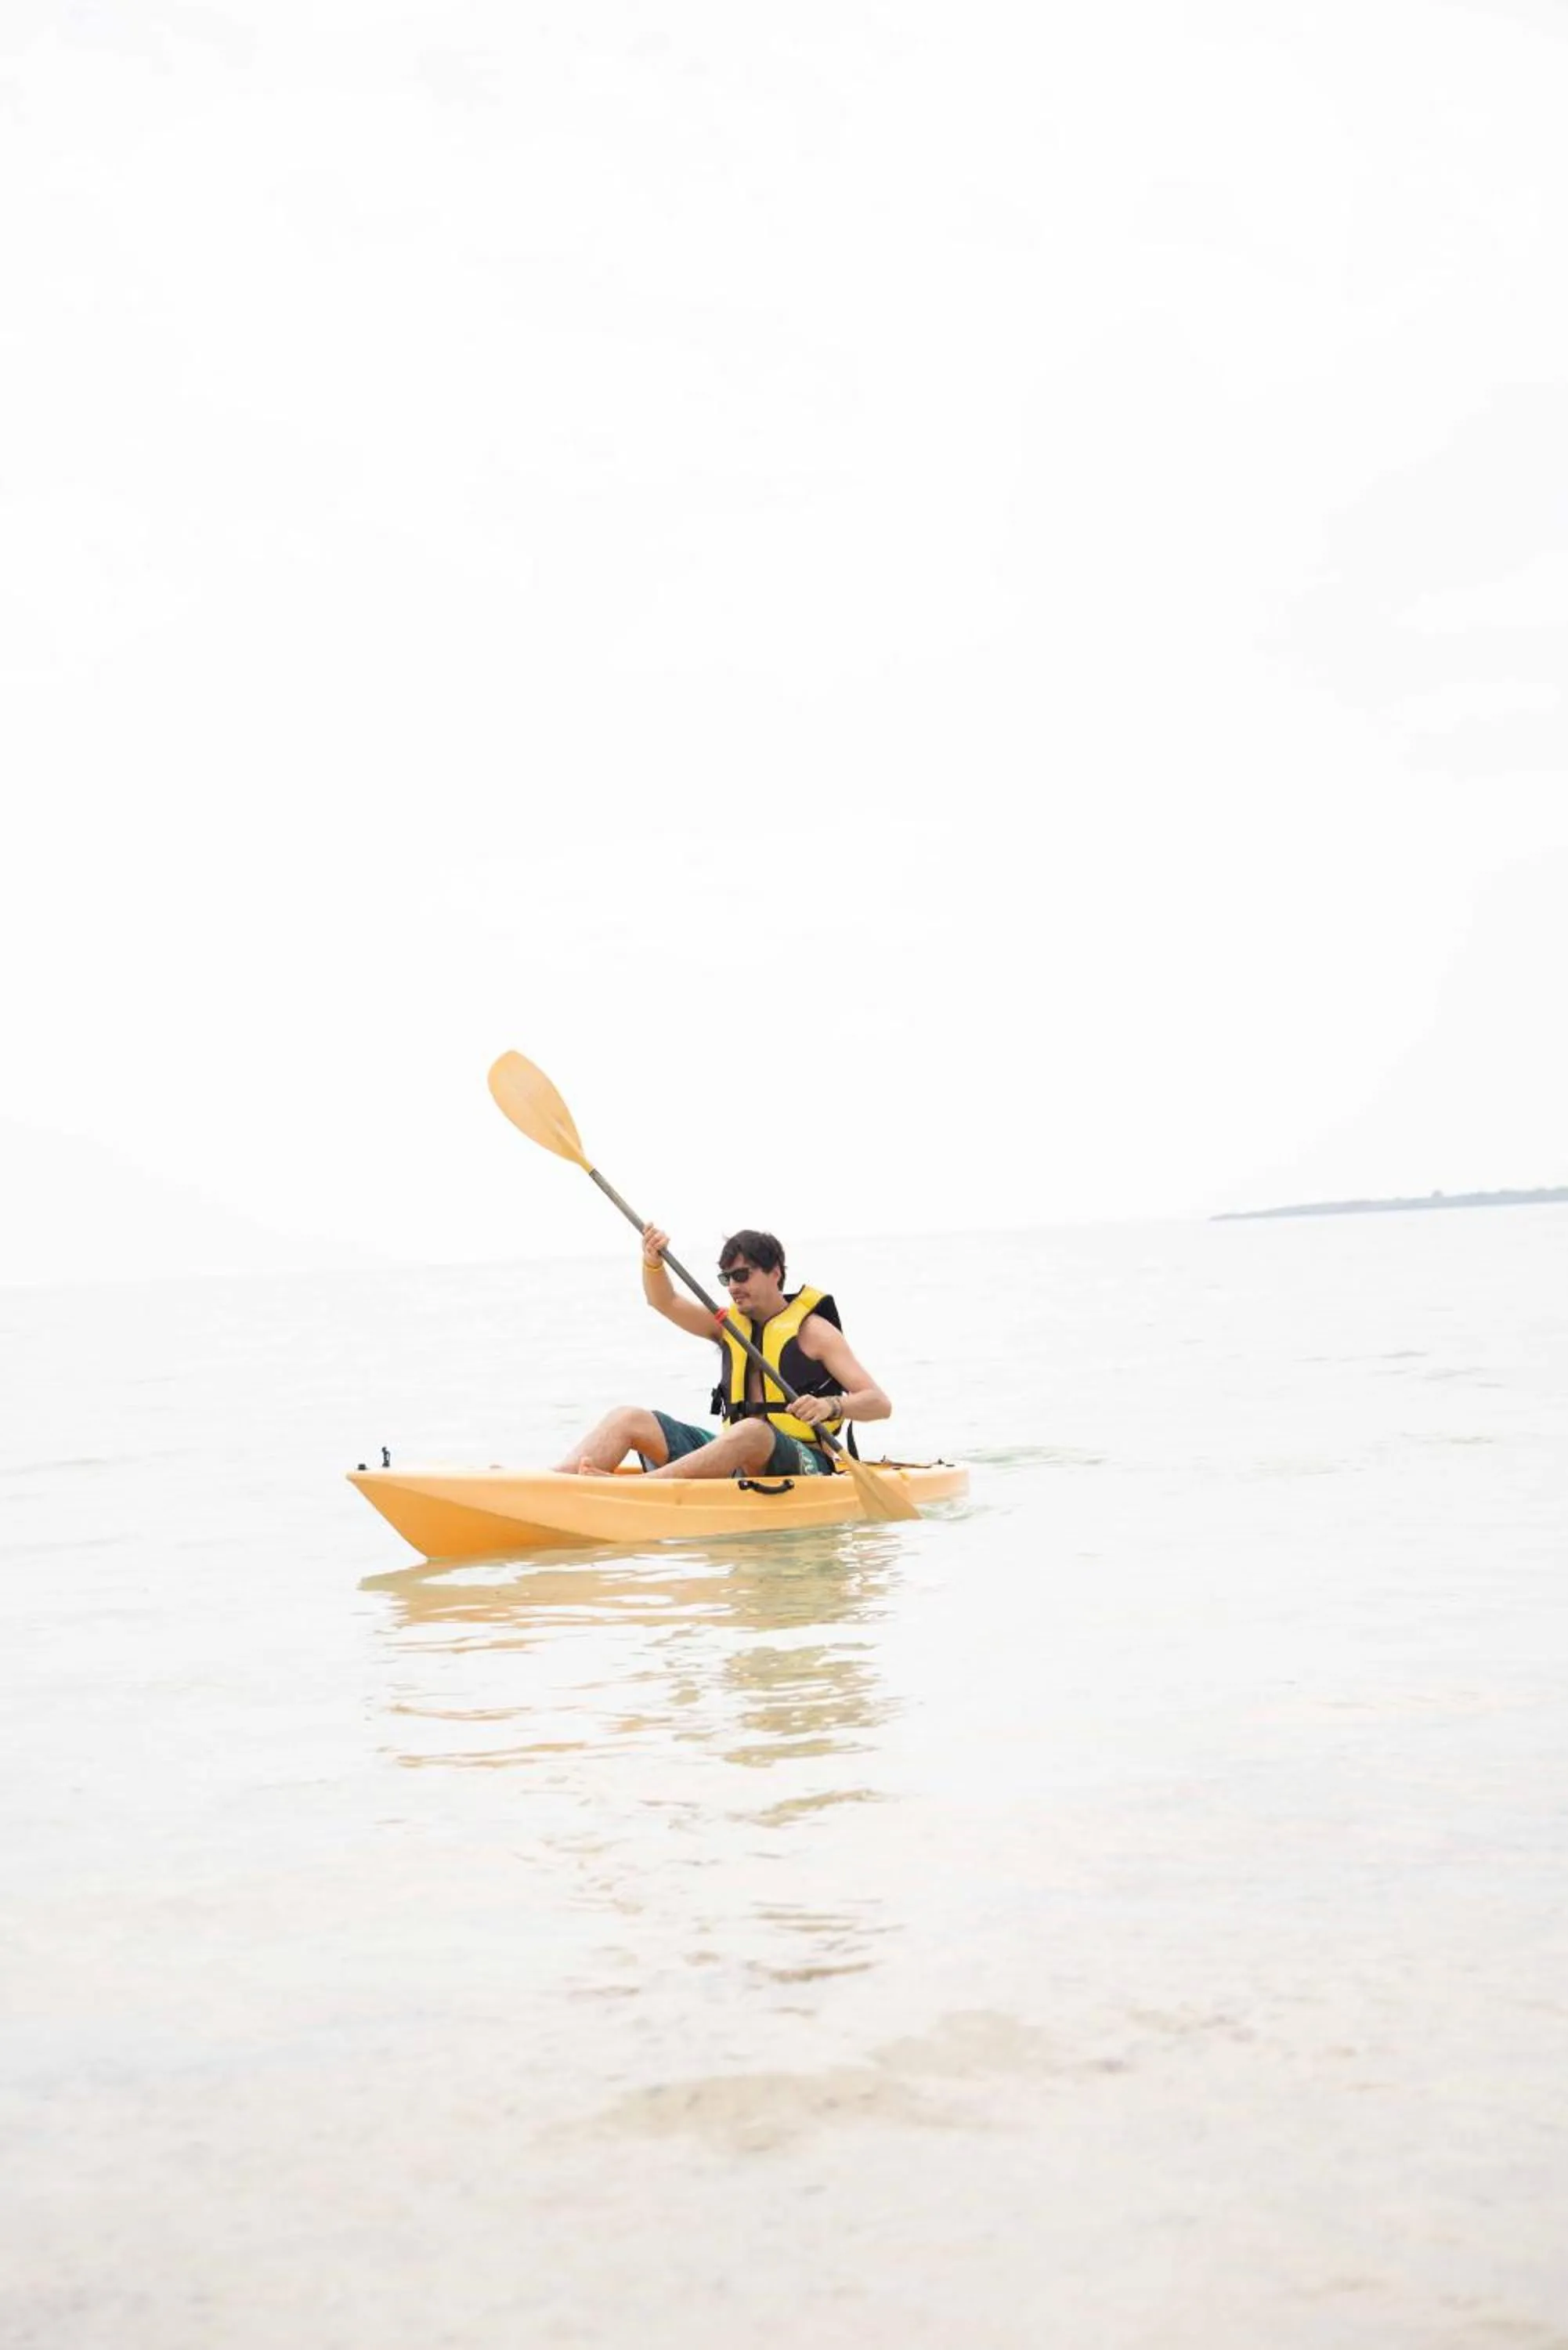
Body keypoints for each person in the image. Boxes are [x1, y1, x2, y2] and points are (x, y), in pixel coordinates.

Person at [555, 1226, 892, 1480]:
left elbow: (879, 1403)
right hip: (738, 1456)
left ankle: (643, 1488)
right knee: (628, 1418)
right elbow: (665, 1301)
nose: (732, 1287)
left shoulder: (814, 1331)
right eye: (726, 1278)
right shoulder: (727, 1326)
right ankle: (554, 1482)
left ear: (775, 1272)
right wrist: (652, 1262)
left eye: (742, 1275)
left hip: (807, 1464)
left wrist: (830, 1405)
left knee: (752, 1431)